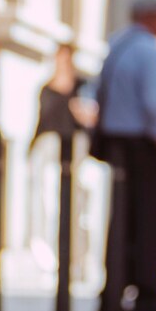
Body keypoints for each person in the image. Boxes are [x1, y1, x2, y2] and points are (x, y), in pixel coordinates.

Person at [94, 0, 156, 311]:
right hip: (143, 145)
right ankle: (147, 294)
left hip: (117, 143)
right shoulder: (148, 50)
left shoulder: (117, 44)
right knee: (151, 221)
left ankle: (114, 290)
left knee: (122, 219)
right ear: (150, 17)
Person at [28, 44, 97, 268]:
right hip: (49, 148)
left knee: (76, 203)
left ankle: (75, 259)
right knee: (48, 202)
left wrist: (83, 113)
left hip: (75, 149)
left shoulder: (82, 86)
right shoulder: (46, 88)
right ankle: (49, 256)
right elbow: (41, 121)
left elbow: (92, 117)